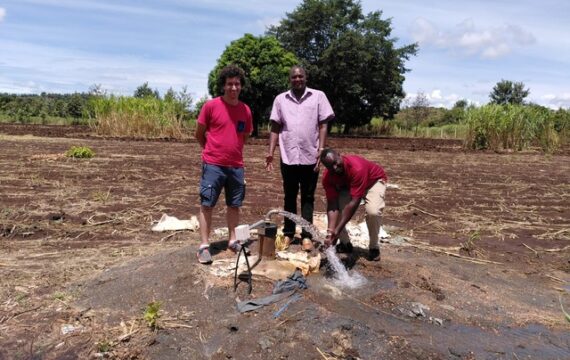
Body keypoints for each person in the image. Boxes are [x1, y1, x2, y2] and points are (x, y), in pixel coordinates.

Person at [265, 65, 334, 246]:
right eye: (294, 77)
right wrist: (270, 152)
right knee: (289, 195)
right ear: (290, 79)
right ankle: (288, 232)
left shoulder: (318, 96)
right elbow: (275, 127)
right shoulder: (281, 99)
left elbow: (323, 125)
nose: (297, 79)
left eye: (300, 76)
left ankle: (306, 236)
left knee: (308, 197)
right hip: (288, 156)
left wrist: (321, 150)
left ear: (306, 78)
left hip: (310, 156)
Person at [195, 65, 253, 264]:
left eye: (237, 84)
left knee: (234, 205)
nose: (233, 88)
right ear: (223, 86)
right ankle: (204, 246)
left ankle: (233, 240)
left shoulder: (245, 110)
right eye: (229, 84)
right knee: (207, 204)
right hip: (213, 165)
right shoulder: (211, 106)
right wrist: (210, 152)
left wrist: (232, 152)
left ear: (241, 86)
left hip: (236, 166)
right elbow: (199, 133)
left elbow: (244, 136)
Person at [320, 148, 388, 262]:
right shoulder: (328, 177)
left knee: (373, 212)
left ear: (339, 154)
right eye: (331, 166)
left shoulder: (356, 167)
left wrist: (337, 230)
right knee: (338, 211)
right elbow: (332, 205)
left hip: (373, 182)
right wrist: (330, 232)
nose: (335, 168)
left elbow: (354, 203)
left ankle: (374, 247)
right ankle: (345, 244)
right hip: (351, 185)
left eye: (336, 163)